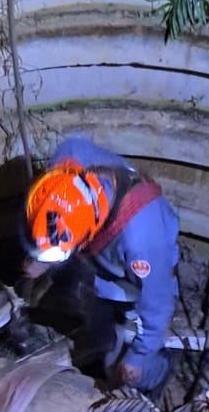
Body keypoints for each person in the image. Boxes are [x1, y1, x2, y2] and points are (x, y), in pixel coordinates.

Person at [21, 134, 179, 393]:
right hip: (102, 262)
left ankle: (157, 370)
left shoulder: (141, 243)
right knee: (97, 322)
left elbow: (158, 304)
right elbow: (54, 220)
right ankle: (101, 340)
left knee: (119, 367)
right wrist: (41, 258)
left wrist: (137, 357)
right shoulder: (66, 164)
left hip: (138, 281)